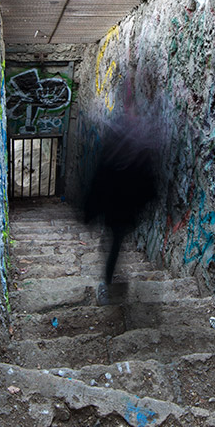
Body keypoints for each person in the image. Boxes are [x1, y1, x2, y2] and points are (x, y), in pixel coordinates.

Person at [84, 112, 158, 304]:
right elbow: (147, 181)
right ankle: (108, 280)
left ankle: (107, 281)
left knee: (115, 240)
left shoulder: (112, 151)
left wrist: (91, 210)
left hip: (115, 206)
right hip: (123, 208)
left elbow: (98, 180)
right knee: (116, 242)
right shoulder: (138, 151)